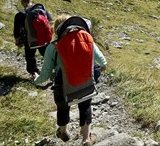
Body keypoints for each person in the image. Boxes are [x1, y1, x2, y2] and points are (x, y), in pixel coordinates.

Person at [34, 15, 107, 146]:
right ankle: (86, 139)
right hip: (85, 83)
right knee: (85, 108)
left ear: (57, 30)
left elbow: (45, 74)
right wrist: (99, 69)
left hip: (62, 86)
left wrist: (36, 80)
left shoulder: (53, 47)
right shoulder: (87, 39)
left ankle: (64, 132)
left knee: (62, 108)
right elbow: (102, 61)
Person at [13, 0, 52, 78]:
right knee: (47, 54)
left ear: (22, 3)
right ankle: (53, 70)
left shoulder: (20, 15)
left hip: (29, 39)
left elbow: (16, 30)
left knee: (30, 56)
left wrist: (18, 40)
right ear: (31, 1)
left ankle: (34, 73)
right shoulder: (42, 10)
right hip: (43, 38)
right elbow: (50, 21)